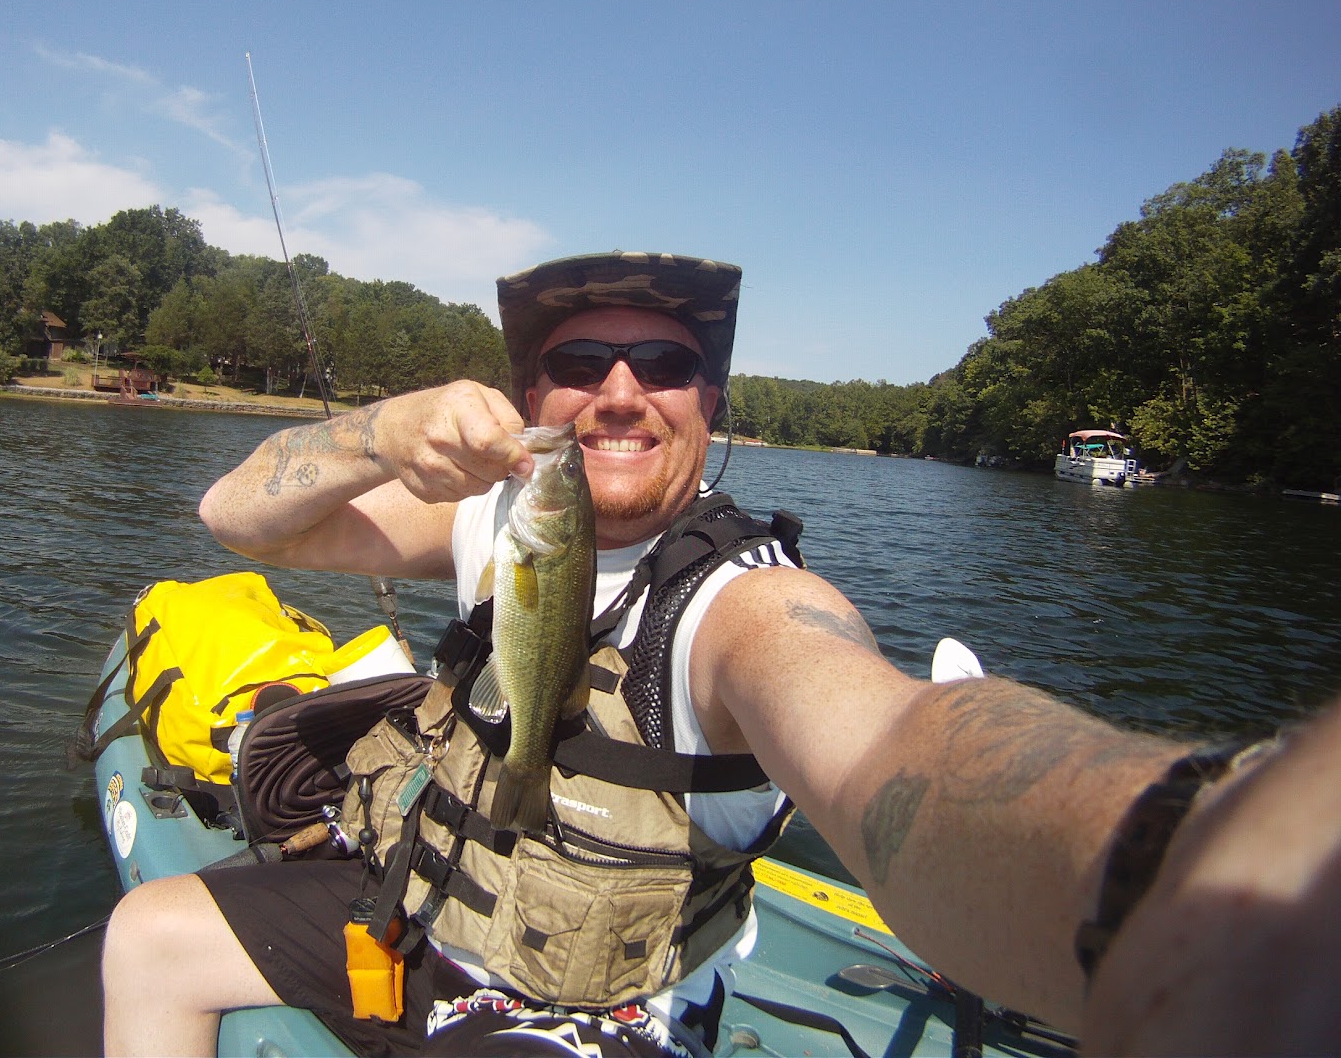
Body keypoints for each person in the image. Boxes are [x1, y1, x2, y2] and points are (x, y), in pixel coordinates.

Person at [102, 250, 1300, 1056]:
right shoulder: (494, 518)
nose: (620, 393)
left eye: (665, 366)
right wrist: (378, 431)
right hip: (425, 915)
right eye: (579, 366)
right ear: (531, 397)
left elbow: (895, 743)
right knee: (150, 939)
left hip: (598, 1012)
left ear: (708, 405)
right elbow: (237, 517)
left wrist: (1190, 864)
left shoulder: (745, 608)